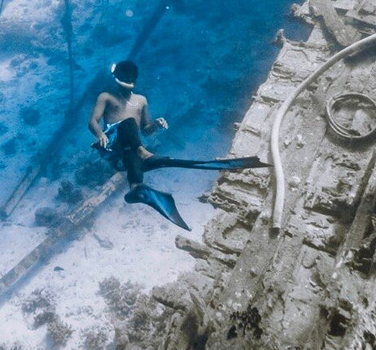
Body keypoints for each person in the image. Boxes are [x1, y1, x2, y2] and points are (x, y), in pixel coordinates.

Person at [89, 61, 269, 231]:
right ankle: (144, 155)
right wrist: (100, 134)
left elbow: (145, 130)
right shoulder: (106, 97)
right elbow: (93, 122)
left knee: (151, 159)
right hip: (112, 147)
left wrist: (156, 125)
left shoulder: (141, 100)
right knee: (128, 125)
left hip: (129, 154)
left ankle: (136, 188)